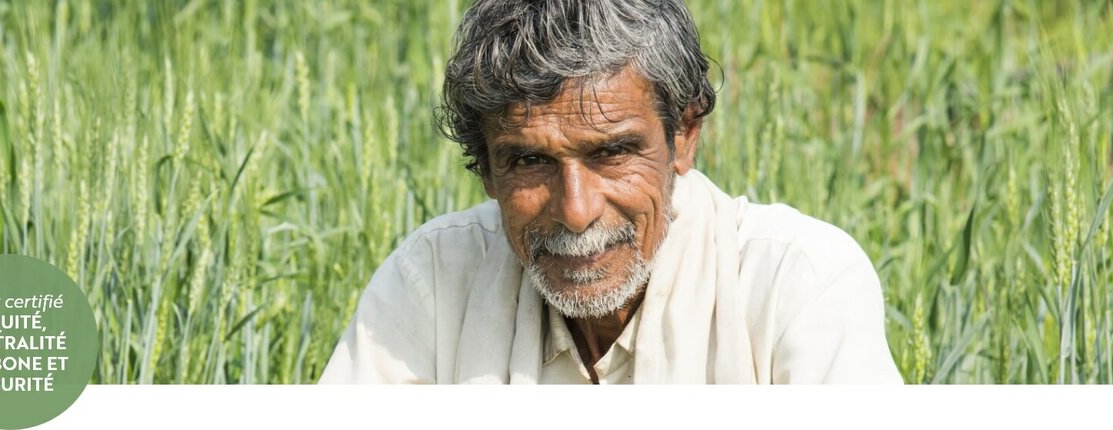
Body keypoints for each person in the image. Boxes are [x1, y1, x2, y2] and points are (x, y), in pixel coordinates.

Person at [319, 0, 902, 384]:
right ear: (487, 174)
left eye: (612, 153)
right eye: (529, 161)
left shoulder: (795, 285)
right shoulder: (435, 284)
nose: (577, 211)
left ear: (684, 137)